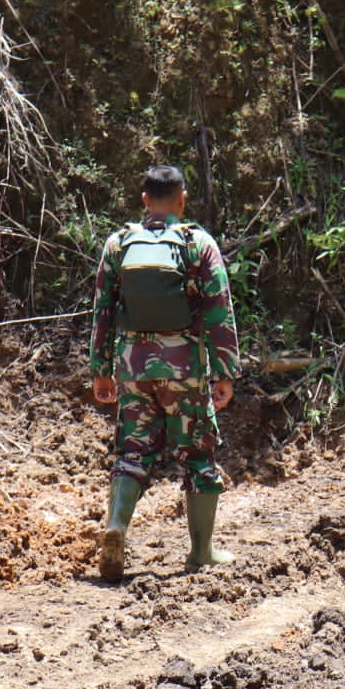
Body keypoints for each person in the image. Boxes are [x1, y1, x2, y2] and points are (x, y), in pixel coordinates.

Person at [89, 164, 239, 580]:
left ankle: (117, 525)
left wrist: (101, 370)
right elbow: (218, 309)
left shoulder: (118, 244)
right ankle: (201, 552)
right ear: (182, 198)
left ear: (143, 200)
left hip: (132, 366)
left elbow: (102, 311)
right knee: (198, 455)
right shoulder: (197, 243)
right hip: (185, 368)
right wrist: (224, 371)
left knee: (133, 451)